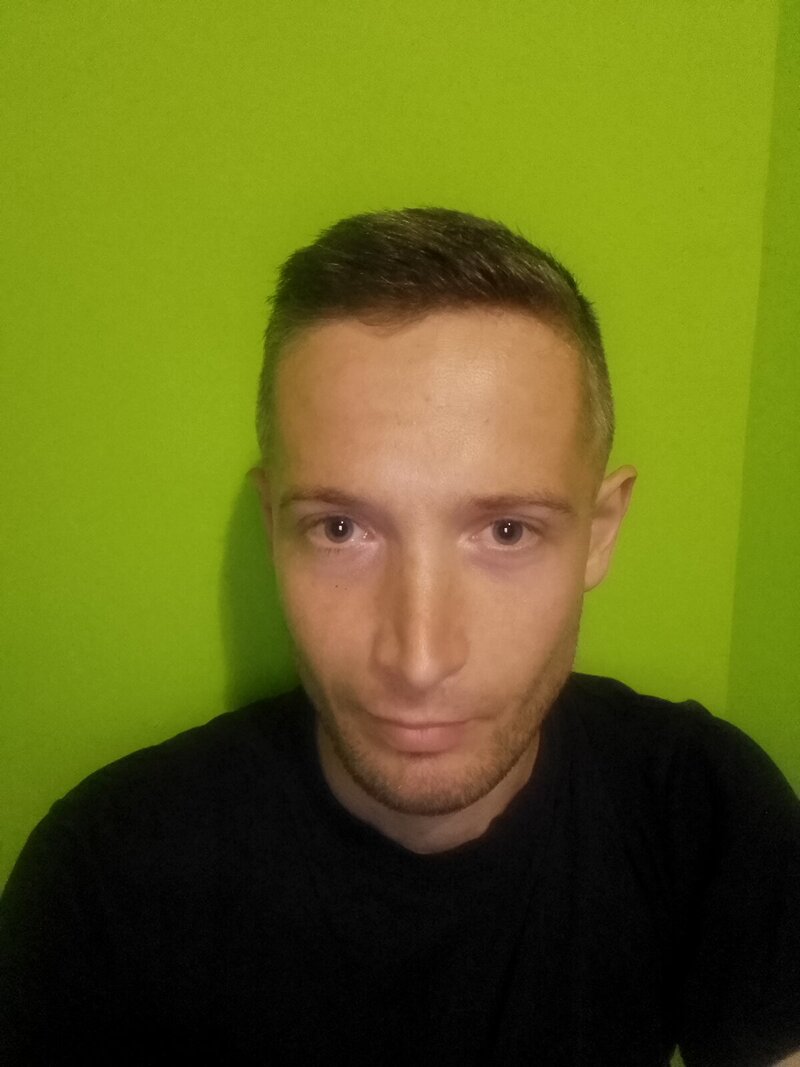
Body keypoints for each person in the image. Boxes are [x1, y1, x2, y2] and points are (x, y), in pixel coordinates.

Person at [1, 208, 798, 1066]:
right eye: (341, 528)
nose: (419, 658)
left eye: (507, 531)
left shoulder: (701, 814)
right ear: (273, 527)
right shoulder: (106, 877)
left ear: (600, 532)